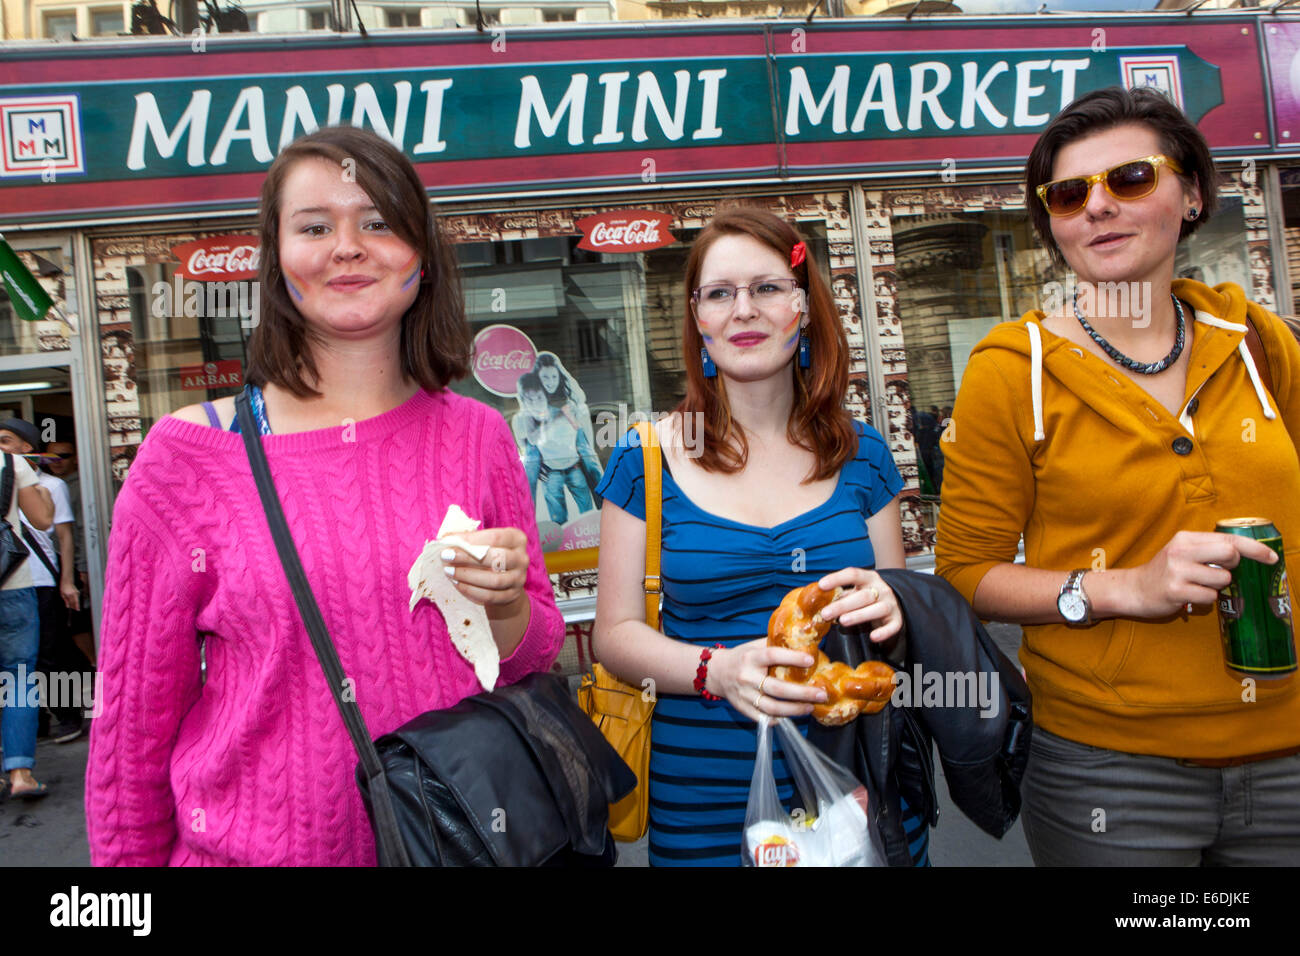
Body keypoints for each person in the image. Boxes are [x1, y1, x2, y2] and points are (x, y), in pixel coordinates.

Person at [85, 125, 565, 866]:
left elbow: (534, 653)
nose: (348, 246)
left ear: (421, 256)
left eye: (378, 222)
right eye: (315, 226)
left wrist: (505, 605)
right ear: (277, 262)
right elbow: (129, 741)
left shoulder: (479, 435)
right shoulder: (185, 458)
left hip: (458, 847)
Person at [936, 86, 1300, 865]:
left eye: (1130, 178)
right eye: (1069, 194)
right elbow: (967, 573)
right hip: (1111, 773)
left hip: (1290, 752)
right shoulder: (1013, 371)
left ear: (1192, 192)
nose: (1097, 206)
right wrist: (1122, 589)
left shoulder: (1260, 344)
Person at [592, 207, 919, 866]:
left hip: (855, 776)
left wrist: (896, 607)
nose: (744, 309)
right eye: (719, 293)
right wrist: (718, 669)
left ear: (803, 308)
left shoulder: (864, 455)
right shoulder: (645, 458)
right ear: (698, 320)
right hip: (704, 794)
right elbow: (615, 634)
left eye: (767, 288)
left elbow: (902, 617)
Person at [0, 420, 83, 743]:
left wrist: (67, 581)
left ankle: (68, 714)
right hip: (8, 582)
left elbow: (63, 536)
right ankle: (33, 723)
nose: (1, 447)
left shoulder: (51, 485)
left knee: (50, 651)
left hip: (40, 578)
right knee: (18, 660)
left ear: (26, 449)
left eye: (7, 441)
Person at [0, 438, 55, 799]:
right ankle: (20, 773)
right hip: (11, 584)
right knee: (18, 676)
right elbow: (43, 519)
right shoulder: (10, 463)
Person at [513, 368, 603, 524]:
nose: (535, 403)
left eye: (539, 398)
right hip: (552, 470)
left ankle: (592, 525)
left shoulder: (560, 412)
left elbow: (578, 430)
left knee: (585, 503)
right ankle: (555, 530)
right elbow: (532, 440)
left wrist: (567, 416)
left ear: (546, 397)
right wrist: (545, 424)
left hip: (573, 465)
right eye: (530, 400)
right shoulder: (528, 419)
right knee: (557, 510)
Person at [43, 439, 95, 668]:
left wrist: (84, 566)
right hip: (55, 563)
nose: (57, 461)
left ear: (75, 458)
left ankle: (96, 666)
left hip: (73, 563)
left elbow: (84, 527)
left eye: (63, 455)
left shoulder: (78, 486)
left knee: (78, 622)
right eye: (51, 456)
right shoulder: (43, 485)